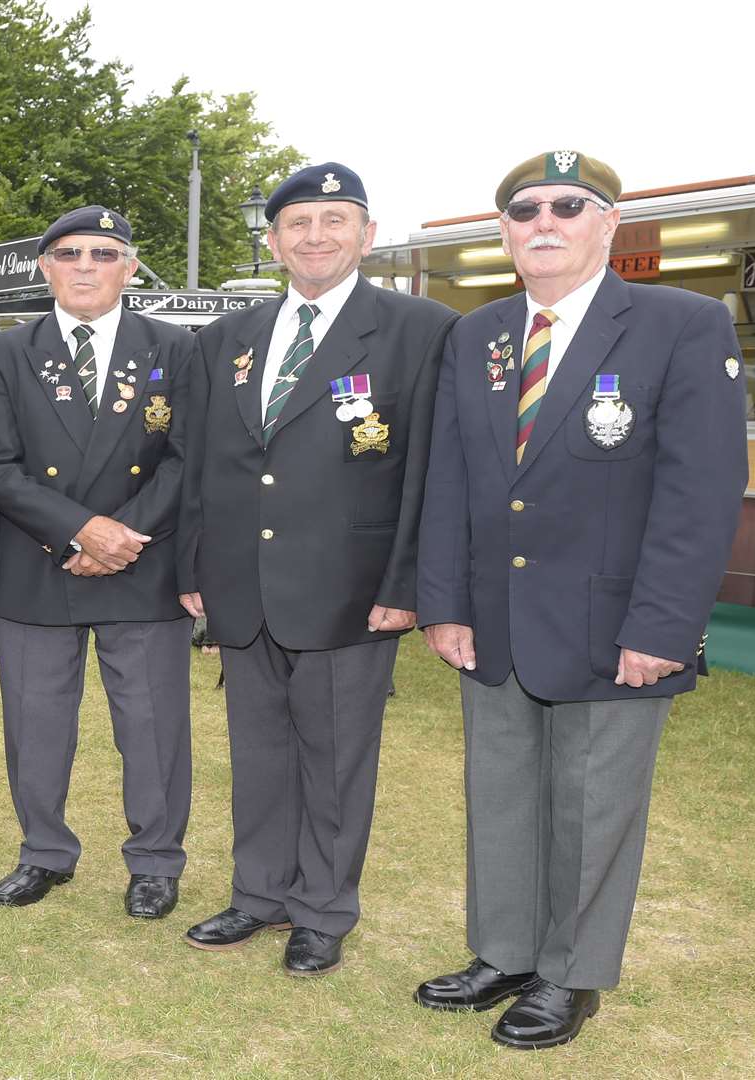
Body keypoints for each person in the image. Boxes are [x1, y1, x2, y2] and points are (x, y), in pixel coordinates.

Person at [413, 151, 746, 1049]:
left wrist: (665, 625)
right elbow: (448, 478)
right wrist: (442, 601)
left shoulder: (680, 324)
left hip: (615, 622)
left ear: (610, 223)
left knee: (592, 805)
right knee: (503, 796)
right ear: (505, 231)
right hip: (493, 623)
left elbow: (701, 492)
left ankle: (571, 975)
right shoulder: (476, 334)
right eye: (525, 210)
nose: (544, 222)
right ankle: (506, 952)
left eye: (569, 205)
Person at [174, 164, 458, 975]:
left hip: (350, 588)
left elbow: (429, 472)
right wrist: (196, 565)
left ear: (367, 236)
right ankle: (257, 894)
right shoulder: (226, 338)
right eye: (297, 223)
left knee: (334, 759)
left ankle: (322, 910)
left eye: (336, 221)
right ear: (272, 242)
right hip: (241, 585)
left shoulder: (419, 329)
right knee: (258, 752)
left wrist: (407, 586)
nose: (315, 237)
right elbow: (206, 464)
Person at [0, 205, 199, 919]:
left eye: (104, 254)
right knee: (37, 723)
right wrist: (80, 532)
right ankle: (44, 851)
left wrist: (122, 536)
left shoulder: (176, 348)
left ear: (130, 268)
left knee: (153, 725)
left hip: (143, 561)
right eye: (68, 253)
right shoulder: (2, 353)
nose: (85, 266)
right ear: (44, 267)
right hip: (40, 563)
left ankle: (156, 861)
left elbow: (187, 460)